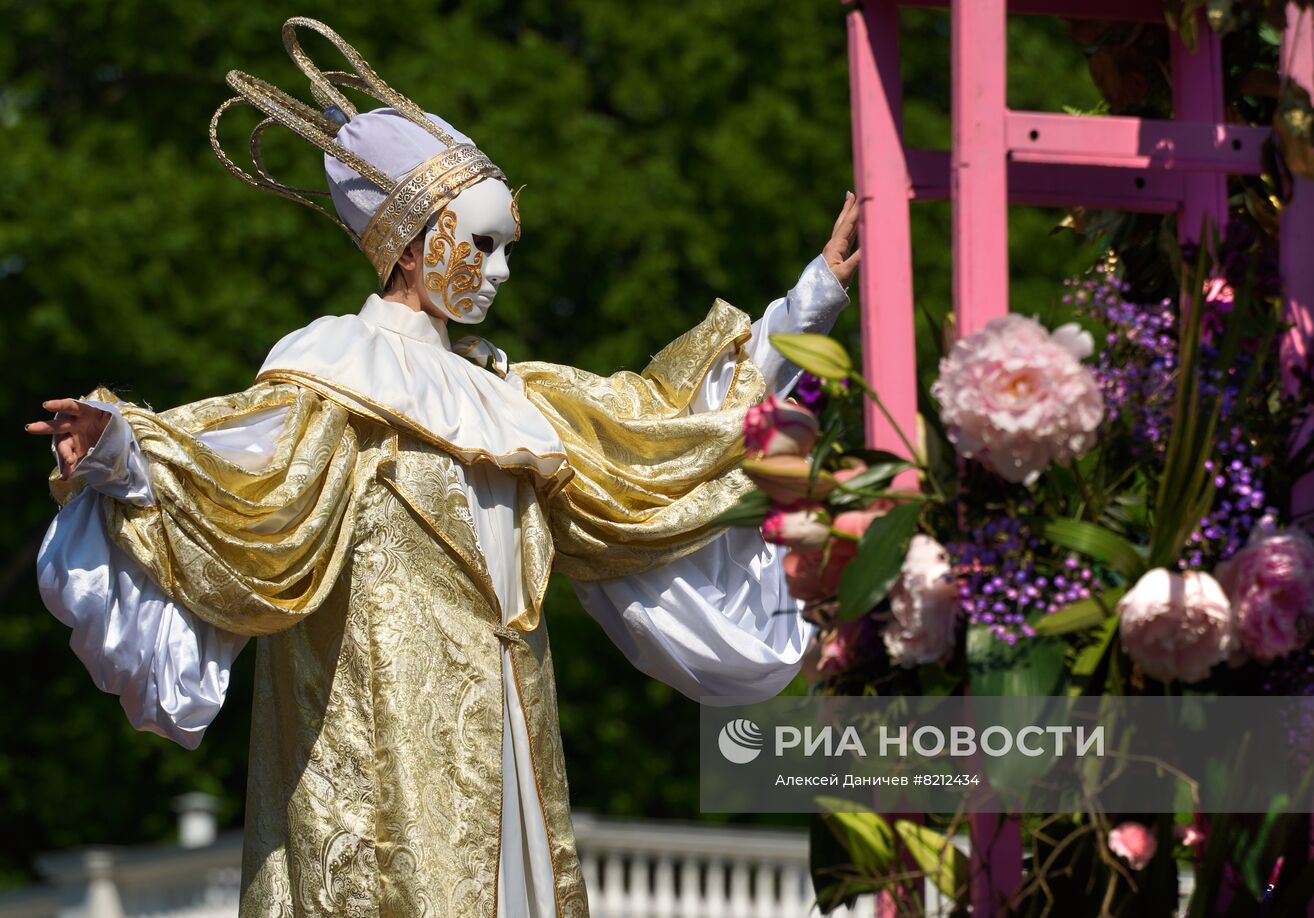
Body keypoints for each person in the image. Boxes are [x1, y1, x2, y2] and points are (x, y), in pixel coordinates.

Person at [26, 18, 859, 918]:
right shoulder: (333, 380)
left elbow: (656, 434)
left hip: (510, 730)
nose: (501, 272)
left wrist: (813, 295)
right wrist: (119, 447)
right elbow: (237, 474)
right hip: (379, 750)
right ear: (414, 246)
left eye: (509, 247)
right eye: (483, 244)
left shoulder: (509, 394)